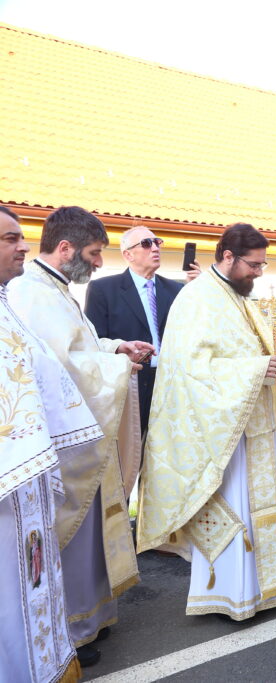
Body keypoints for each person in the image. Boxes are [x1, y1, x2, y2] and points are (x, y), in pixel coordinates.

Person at [136, 223, 276, 620]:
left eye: (264, 264)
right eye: (254, 264)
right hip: (224, 435)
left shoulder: (243, 297)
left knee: (260, 512)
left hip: (257, 426)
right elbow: (189, 369)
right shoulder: (196, 299)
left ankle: (265, 591)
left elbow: (266, 351)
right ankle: (230, 598)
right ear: (228, 257)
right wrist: (254, 370)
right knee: (238, 509)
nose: (259, 272)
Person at [8, 206, 147, 666]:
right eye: (93, 253)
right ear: (64, 249)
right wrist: (119, 366)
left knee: (87, 529)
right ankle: (66, 629)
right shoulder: (32, 294)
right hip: (63, 442)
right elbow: (61, 369)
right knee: (65, 534)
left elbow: (79, 347)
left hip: (86, 434)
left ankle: (89, 619)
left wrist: (115, 348)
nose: (99, 263)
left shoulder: (55, 289)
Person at [0, 206, 105, 680]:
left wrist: (115, 351)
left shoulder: (20, 296)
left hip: (34, 463)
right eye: (10, 239)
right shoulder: (29, 291)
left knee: (31, 577)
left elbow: (46, 368)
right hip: (14, 468)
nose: (22, 246)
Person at [84, 225, 195, 442]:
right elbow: (94, 342)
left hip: (169, 384)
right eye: (146, 244)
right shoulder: (103, 289)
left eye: (157, 242)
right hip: (130, 381)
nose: (155, 248)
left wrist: (198, 290)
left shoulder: (178, 290)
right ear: (128, 254)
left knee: (167, 452)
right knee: (127, 455)